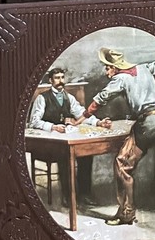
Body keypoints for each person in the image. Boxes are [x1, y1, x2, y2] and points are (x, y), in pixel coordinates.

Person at [73, 48, 155, 226]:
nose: (106, 72)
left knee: (122, 164)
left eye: (107, 67)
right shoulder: (144, 68)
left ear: (114, 67)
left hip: (148, 123)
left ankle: (126, 213)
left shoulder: (120, 78)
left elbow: (100, 99)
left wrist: (80, 119)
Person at [28, 67, 111, 207]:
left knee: (86, 155)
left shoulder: (69, 97)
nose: (60, 81)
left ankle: (84, 194)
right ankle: (67, 197)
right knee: (65, 156)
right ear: (50, 81)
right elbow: (34, 121)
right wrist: (53, 127)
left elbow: (81, 114)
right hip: (48, 143)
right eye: (57, 78)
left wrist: (98, 122)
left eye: (62, 77)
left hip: (65, 139)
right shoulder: (42, 98)